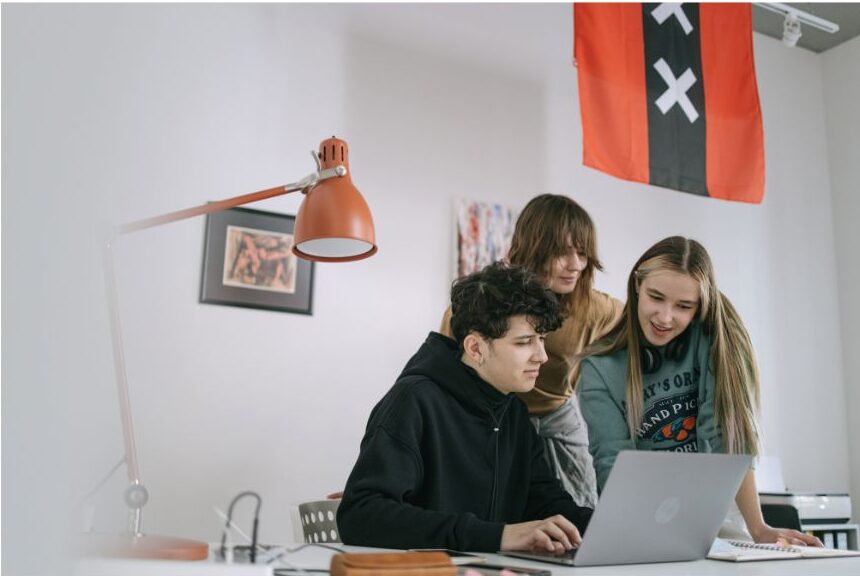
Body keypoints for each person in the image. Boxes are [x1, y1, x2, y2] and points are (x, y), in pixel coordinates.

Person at [577, 236, 821, 546]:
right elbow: (611, 462)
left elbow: (729, 439)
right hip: (645, 512)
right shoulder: (599, 367)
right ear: (637, 285)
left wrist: (758, 527)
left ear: (700, 307)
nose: (665, 317)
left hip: (720, 507)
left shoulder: (716, 340)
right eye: (656, 297)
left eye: (683, 306)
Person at [337, 262, 593, 552]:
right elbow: (360, 516)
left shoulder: (515, 415)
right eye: (524, 343)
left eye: (542, 340)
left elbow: (548, 505)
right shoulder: (414, 401)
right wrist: (498, 536)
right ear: (475, 348)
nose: (542, 356)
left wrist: (614, 528)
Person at [440, 194, 621, 508]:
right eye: (563, 253)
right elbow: (435, 382)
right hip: (493, 415)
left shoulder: (595, 308)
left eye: (582, 253)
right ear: (534, 247)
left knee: (580, 508)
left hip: (558, 418)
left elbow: (648, 326)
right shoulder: (481, 307)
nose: (576, 265)